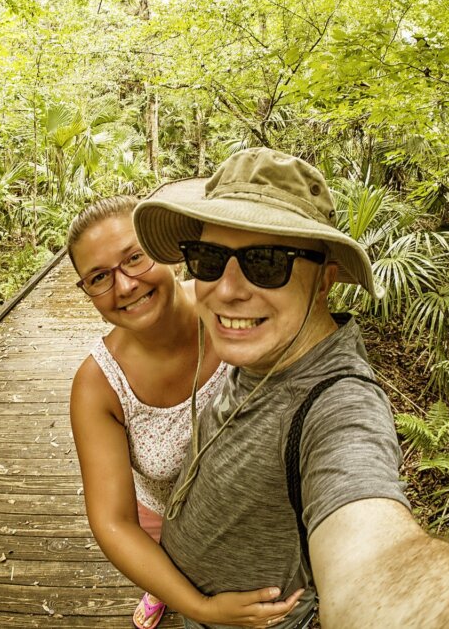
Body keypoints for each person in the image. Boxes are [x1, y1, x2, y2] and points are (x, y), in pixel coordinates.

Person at [131, 147, 449, 629]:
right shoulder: (259, 341)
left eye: (267, 263)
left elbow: (375, 560)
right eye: (207, 258)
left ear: (326, 278)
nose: (226, 288)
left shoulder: (337, 403)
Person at [67, 196, 304, 629]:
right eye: (99, 277)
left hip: (266, 508)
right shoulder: (98, 385)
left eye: (134, 258)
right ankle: (163, 586)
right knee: (173, 576)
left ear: (168, 251)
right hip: (168, 519)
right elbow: (113, 521)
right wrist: (201, 608)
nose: (124, 286)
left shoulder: (231, 301)